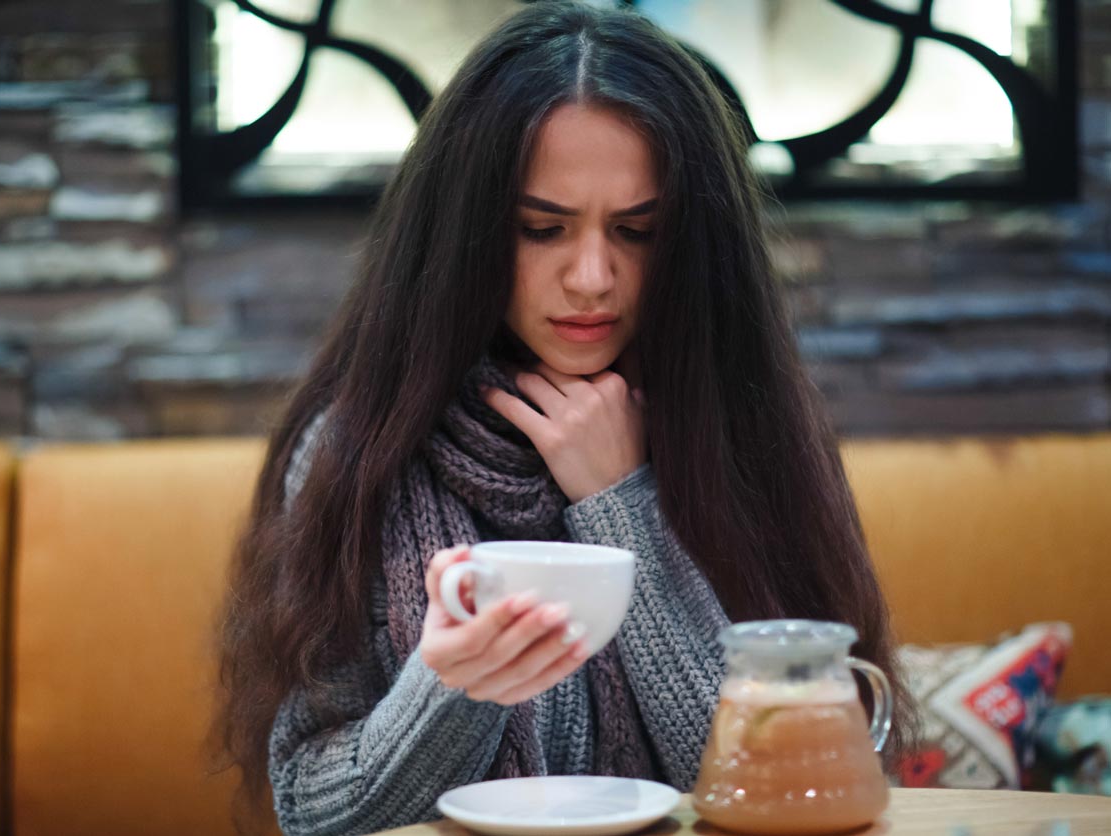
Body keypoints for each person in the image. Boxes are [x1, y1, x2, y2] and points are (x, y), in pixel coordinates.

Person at [213, 3, 915, 835]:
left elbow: (788, 784)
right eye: (542, 228)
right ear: (466, 234)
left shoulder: (739, 425)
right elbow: (310, 813)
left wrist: (624, 500)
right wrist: (452, 688)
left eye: (638, 231)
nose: (592, 277)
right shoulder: (362, 451)